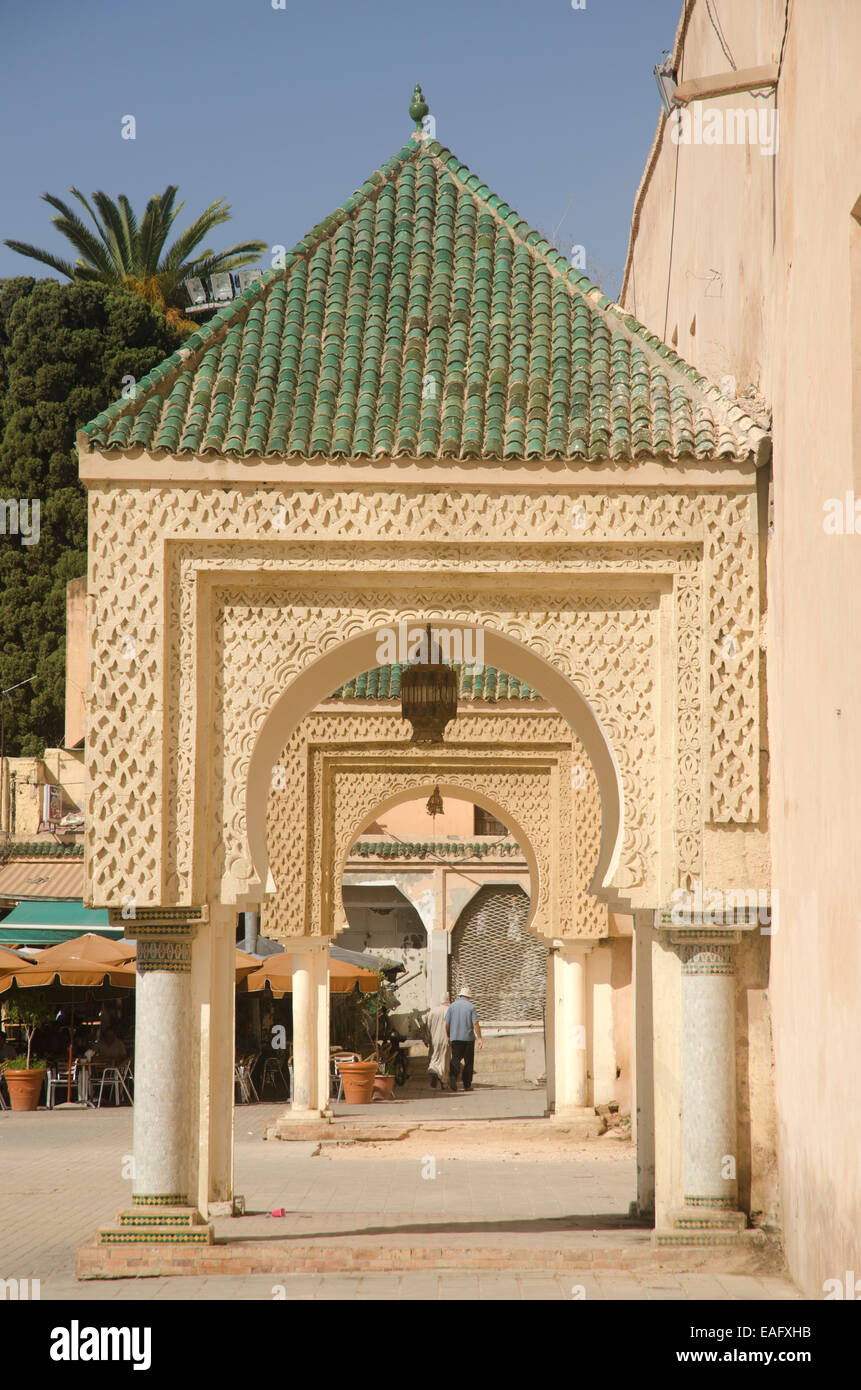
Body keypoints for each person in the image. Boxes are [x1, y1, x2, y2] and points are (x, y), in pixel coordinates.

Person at [445, 986, 483, 1092]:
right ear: (468, 997)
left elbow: (447, 1023)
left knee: (455, 1059)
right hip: (468, 1038)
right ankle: (467, 1084)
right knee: (468, 1062)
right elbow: (475, 1023)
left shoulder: (452, 1006)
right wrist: (479, 1037)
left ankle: (453, 1077)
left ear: (460, 995)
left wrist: (448, 1036)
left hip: (455, 1037)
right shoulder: (471, 1007)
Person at [426, 993, 451, 1090]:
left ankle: (433, 1069)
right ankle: (444, 1081)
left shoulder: (433, 1011)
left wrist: (427, 1039)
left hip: (434, 1038)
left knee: (434, 1055)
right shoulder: (449, 1010)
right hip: (446, 1038)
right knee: (445, 1058)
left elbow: (427, 1026)